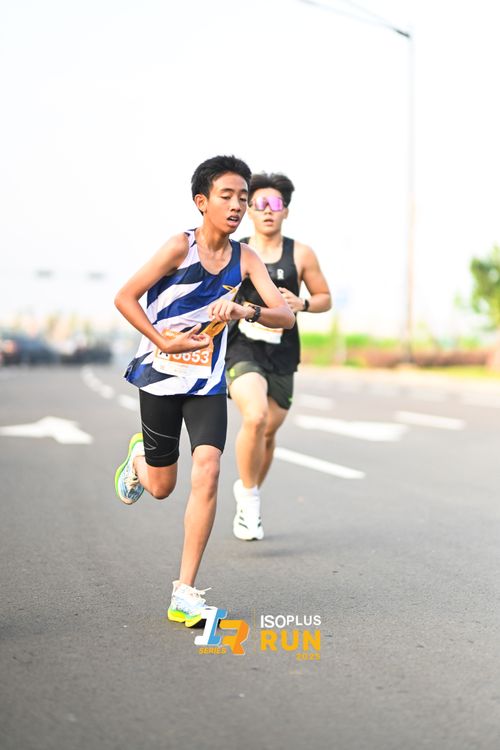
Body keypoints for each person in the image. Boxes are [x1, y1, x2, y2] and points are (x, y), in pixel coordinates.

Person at [114, 155, 294, 627]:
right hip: (160, 373)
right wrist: (161, 340)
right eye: (226, 196)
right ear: (202, 201)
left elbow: (284, 315)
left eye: (243, 198)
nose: (237, 206)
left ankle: (185, 592)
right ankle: (139, 460)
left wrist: (245, 311)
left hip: (208, 381)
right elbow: (125, 297)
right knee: (161, 487)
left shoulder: (245, 259)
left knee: (209, 469)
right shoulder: (179, 247)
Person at [225, 172, 331, 541]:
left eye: (275, 204)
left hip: (283, 351)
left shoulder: (300, 253)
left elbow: (324, 297)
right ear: (249, 210)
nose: (268, 210)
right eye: (259, 203)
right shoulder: (236, 251)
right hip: (243, 347)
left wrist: (303, 303)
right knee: (255, 416)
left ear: (286, 210)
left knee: (268, 430)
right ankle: (249, 503)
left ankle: (249, 487)